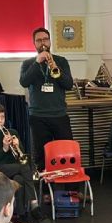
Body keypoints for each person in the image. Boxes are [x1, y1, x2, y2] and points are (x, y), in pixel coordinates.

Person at [0, 103, 51, 223]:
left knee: (19, 179)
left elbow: (21, 157)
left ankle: (22, 216)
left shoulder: (12, 132)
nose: (0, 120)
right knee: (25, 168)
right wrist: (4, 148)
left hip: (16, 169)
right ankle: (34, 206)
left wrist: (17, 145)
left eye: (2, 117)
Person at [19, 27, 74, 171]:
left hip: (59, 114)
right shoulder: (28, 63)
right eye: (39, 40)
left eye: (45, 39)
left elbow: (69, 85)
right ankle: (44, 185)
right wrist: (37, 62)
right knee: (41, 156)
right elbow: (24, 82)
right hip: (38, 116)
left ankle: (68, 183)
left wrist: (55, 68)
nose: (43, 43)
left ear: (50, 41)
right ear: (34, 44)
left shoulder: (61, 61)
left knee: (66, 152)